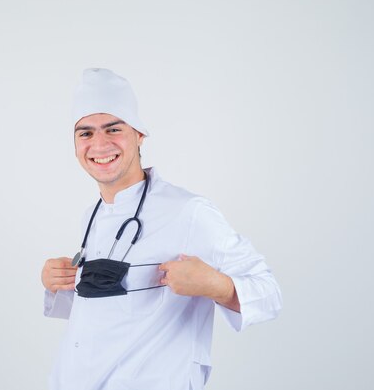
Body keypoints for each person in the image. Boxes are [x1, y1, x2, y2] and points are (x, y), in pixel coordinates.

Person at [41, 68, 282, 390]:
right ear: (74, 145)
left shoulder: (188, 211)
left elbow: (269, 293)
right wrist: (57, 284)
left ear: (139, 134)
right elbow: (106, 313)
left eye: (113, 129)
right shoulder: (92, 215)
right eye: (85, 133)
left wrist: (216, 285)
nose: (99, 144)